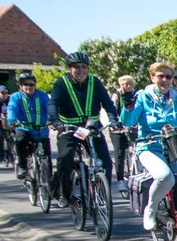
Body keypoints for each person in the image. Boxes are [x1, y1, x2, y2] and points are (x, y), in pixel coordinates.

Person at [119, 61, 177, 230]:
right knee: (165, 176)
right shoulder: (142, 96)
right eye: (160, 76)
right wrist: (128, 106)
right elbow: (129, 120)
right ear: (152, 78)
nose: (165, 80)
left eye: (169, 77)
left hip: (176, 145)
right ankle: (150, 209)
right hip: (150, 146)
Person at [48, 51, 116, 204]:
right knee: (65, 157)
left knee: (105, 160)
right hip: (69, 128)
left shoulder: (95, 82)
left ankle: (102, 192)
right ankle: (65, 194)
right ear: (69, 68)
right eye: (76, 67)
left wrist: (113, 119)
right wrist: (55, 120)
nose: (81, 71)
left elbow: (108, 103)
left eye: (84, 67)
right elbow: (53, 104)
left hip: (91, 128)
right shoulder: (61, 83)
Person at [7, 72, 52, 180]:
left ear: (35, 85)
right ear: (20, 86)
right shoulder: (16, 97)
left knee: (46, 157)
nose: (29, 87)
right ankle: (22, 166)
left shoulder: (42, 95)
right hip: (24, 128)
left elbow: (50, 107)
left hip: (41, 130)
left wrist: (52, 119)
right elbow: (12, 109)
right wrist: (12, 120)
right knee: (20, 139)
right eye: (26, 84)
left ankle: (50, 184)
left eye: (31, 84)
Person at [108, 75, 138, 191]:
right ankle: (120, 180)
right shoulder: (117, 95)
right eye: (123, 84)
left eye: (128, 84)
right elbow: (112, 109)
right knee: (119, 152)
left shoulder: (136, 95)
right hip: (118, 128)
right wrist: (115, 122)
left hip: (131, 126)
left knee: (137, 150)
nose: (126, 86)